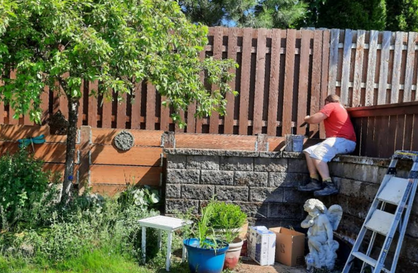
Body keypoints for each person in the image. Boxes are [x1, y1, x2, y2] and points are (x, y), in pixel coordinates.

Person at [298, 94, 356, 196]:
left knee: (318, 153)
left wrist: (307, 118)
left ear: (327, 102)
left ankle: (329, 185)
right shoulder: (340, 107)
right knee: (309, 151)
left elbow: (314, 119)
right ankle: (314, 181)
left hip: (344, 141)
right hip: (342, 141)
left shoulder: (331, 105)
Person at [301, 199, 342, 271]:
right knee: (312, 251)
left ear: (318, 209)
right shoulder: (310, 217)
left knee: (311, 240)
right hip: (313, 239)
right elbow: (302, 224)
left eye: (312, 212)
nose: (311, 214)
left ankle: (321, 252)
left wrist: (330, 239)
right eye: (309, 212)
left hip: (322, 238)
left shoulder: (323, 217)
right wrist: (308, 224)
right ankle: (314, 265)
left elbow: (329, 229)